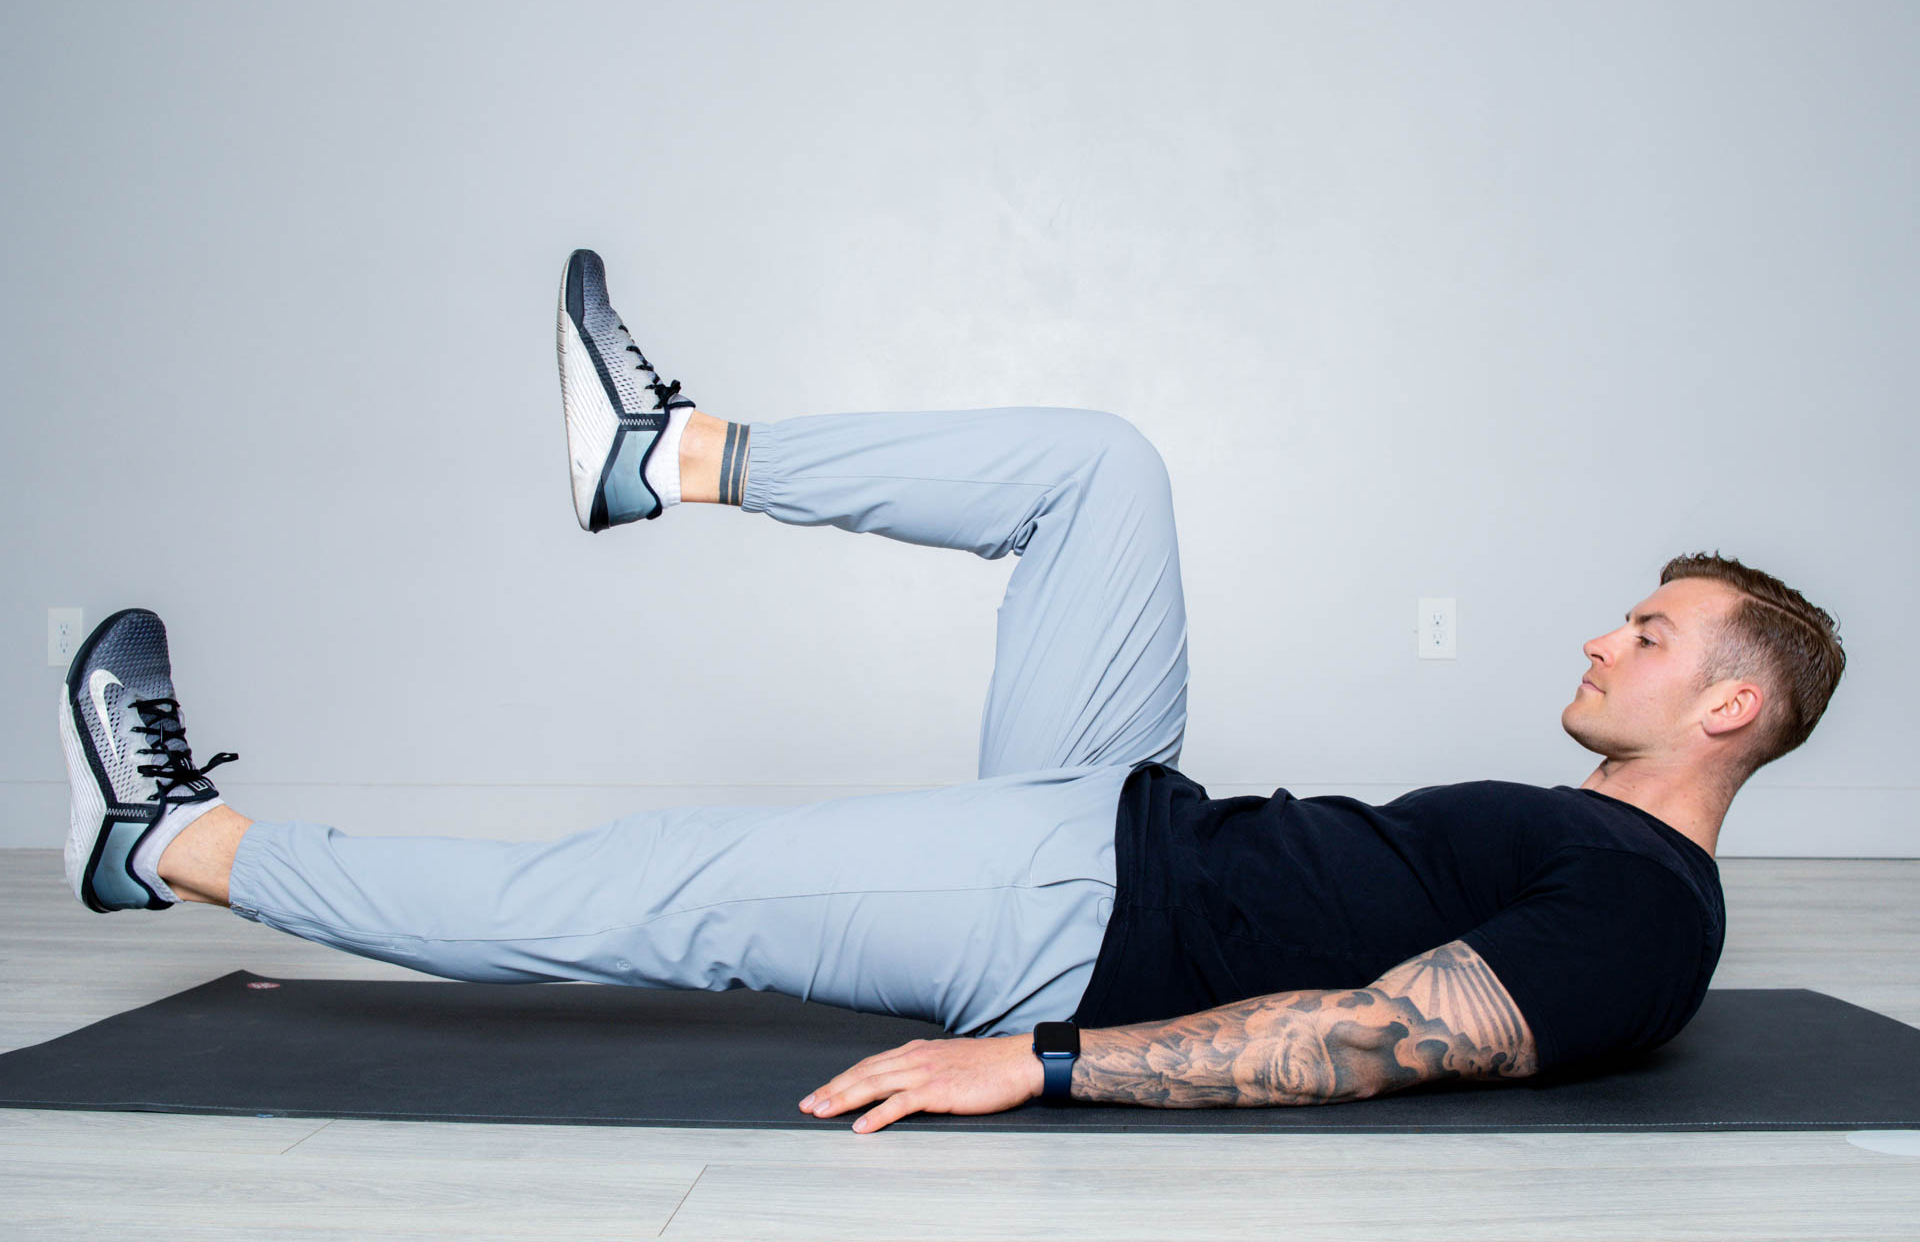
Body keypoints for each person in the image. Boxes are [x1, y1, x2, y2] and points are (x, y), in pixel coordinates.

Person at [56, 250, 1848, 1135]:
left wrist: (1042, 1064)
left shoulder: (1646, 911)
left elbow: (1372, 1040)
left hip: (1075, 918)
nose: (1603, 639)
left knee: (649, 885)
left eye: (1651, 633)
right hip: (1129, 807)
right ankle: (667, 455)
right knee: (1100, 469)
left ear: (1729, 712)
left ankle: (172, 841)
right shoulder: (1604, 849)